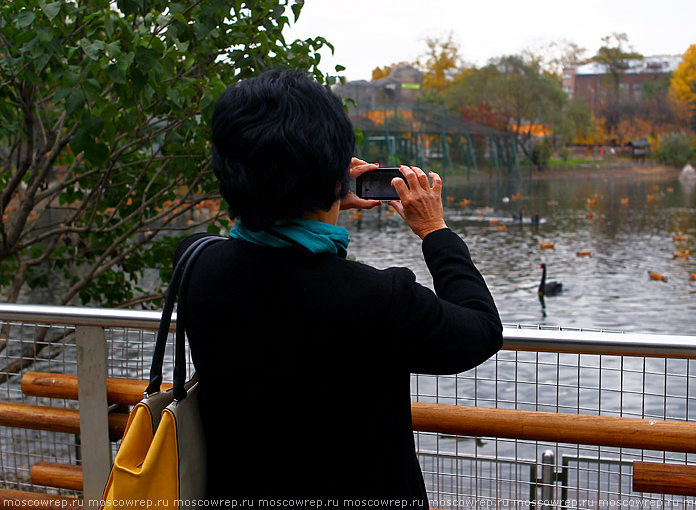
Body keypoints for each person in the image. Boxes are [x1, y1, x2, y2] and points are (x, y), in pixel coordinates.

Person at [175, 68, 502, 505]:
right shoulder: (379, 299)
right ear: (333, 175)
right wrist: (435, 231)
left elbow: (250, 241)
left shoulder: (194, 264)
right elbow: (482, 329)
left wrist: (316, 193)